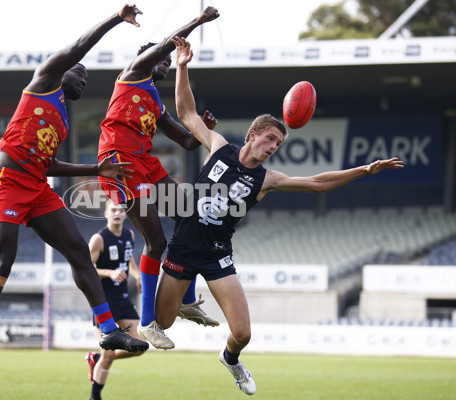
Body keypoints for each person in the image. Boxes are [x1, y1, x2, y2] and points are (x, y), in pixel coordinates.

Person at [153, 37, 405, 395]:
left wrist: (365, 169)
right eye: (270, 139)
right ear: (253, 135)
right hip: (182, 249)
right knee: (162, 323)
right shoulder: (220, 147)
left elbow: (318, 183)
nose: (273, 147)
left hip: (217, 256)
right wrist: (181, 64)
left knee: (243, 333)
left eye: (279, 144)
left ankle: (230, 359)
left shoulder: (268, 180)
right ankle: (183, 303)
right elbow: (187, 113)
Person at [0, 4, 150, 387]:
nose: (83, 78)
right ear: (62, 69)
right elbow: (79, 46)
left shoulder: (63, 118)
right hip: (7, 180)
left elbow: (49, 166)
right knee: (3, 261)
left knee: (79, 251)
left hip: (36, 186)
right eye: (79, 72)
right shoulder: (43, 82)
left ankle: (107, 328)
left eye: (86, 77)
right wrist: (117, 19)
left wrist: (94, 170)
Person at [97, 6, 221, 350]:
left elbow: (183, 139)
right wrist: (197, 21)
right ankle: (149, 322)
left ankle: (185, 299)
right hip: (121, 163)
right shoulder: (131, 75)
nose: (165, 64)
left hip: (146, 162)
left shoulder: (153, 98)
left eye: (168, 62)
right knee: (156, 243)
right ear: (146, 59)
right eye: (162, 60)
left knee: (194, 215)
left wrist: (202, 129)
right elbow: (166, 45)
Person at [85, 199, 144, 400]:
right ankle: (95, 396)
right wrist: (109, 273)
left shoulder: (129, 235)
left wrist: (137, 276)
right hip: (103, 303)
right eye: (113, 210)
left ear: (125, 213)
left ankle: (96, 358)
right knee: (109, 355)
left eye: (120, 210)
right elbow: (86, 270)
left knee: (139, 345)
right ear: (106, 213)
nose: (117, 213)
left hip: (124, 300)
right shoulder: (98, 239)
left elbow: (130, 263)